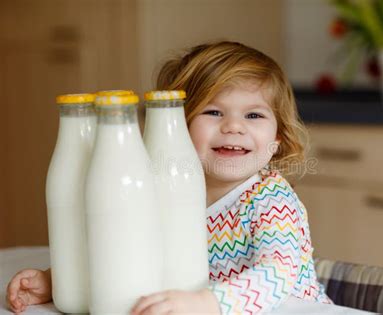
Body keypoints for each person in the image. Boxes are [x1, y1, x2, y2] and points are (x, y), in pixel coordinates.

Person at [6, 41, 331, 314]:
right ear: (177, 126)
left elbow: (278, 274)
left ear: (277, 142)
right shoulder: (163, 191)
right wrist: (66, 281)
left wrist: (207, 303)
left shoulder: (272, 200)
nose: (234, 126)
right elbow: (130, 254)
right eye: (214, 112)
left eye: (254, 115)